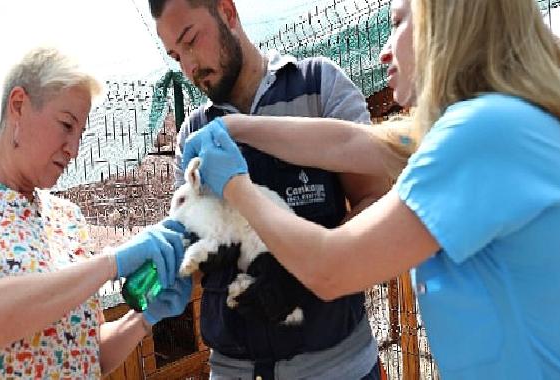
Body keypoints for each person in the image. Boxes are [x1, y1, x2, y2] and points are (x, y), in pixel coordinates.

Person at [182, 0, 560, 378]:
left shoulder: (479, 134)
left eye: (398, 23)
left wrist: (235, 185)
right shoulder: (501, 119)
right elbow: (347, 144)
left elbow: (333, 269)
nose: (384, 50)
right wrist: (236, 128)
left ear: (448, 25)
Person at [149, 0, 393, 378]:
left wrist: (316, 266)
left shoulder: (318, 85)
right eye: (176, 56)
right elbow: (192, 243)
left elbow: (376, 199)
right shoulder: (193, 133)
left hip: (338, 366)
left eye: (192, 40)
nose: (189, 67)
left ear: (228, 13)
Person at [0, 47, 190, 378]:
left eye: (80, 134)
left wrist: (145, 317)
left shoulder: (67, 218)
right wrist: (110, 263)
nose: (74, 149)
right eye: (66, 125)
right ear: (18, 106)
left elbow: (89, 354)